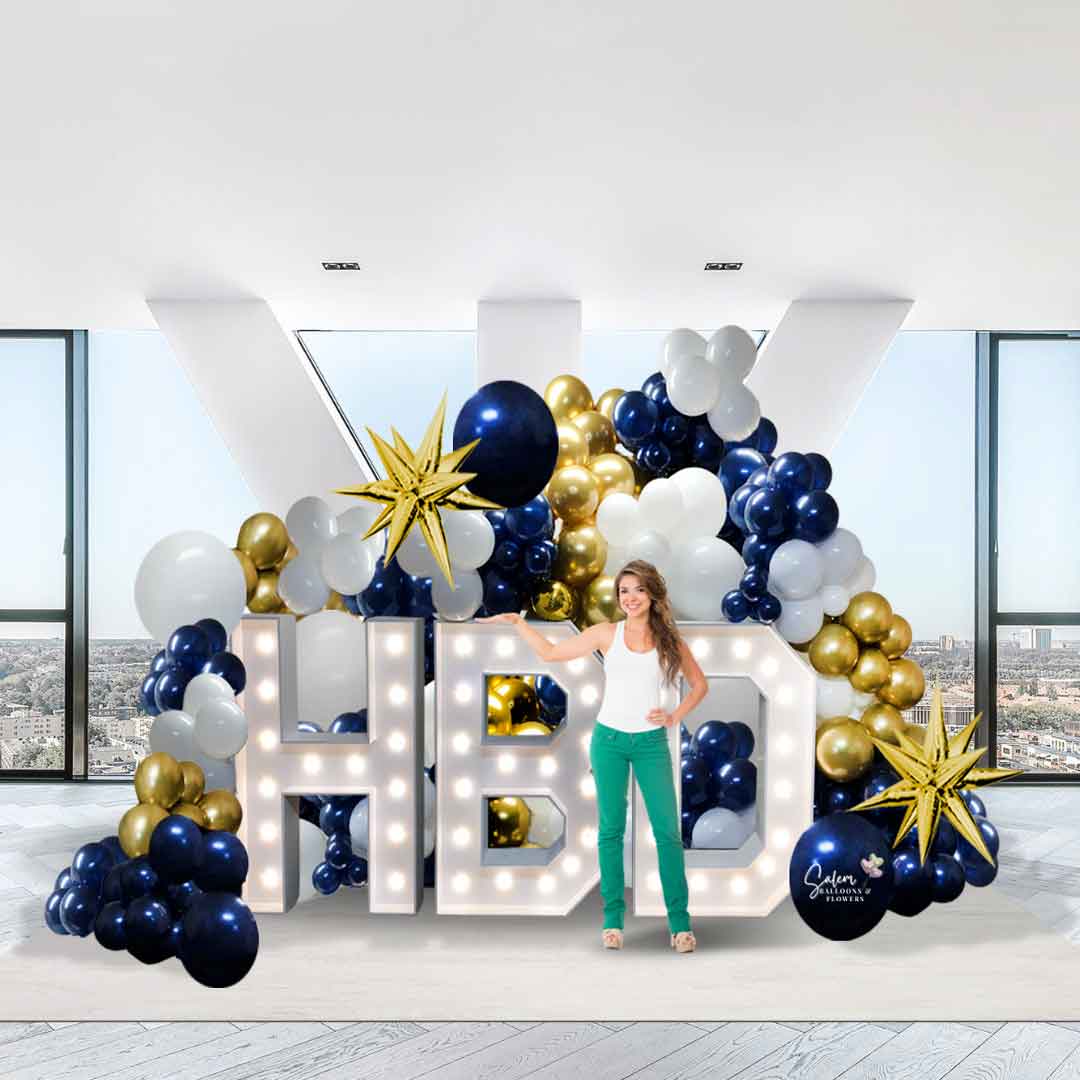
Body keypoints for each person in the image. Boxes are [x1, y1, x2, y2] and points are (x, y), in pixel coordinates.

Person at [483, 559, 708, 953]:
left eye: (638, 590)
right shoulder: (606, 634)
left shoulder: (670, 641)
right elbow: (552, 654)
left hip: (652, 743)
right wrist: (519, 625)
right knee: (610, 831)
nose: (630, 598)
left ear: (652, 594)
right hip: (609, 742)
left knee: (668, 834)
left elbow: (699, 685)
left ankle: (680, 925)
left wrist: (674, 716)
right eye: (624, 591)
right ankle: (612, 921)